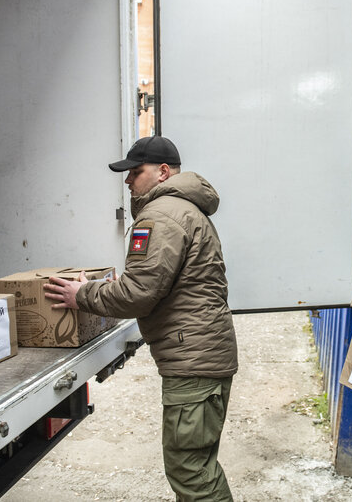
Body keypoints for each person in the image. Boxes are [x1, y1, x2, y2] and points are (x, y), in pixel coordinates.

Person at [44, 135, 238, 502]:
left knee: (190, 471)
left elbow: (138, 295)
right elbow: (159, 284)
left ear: (163, 172)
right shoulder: (186, 209)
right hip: (203, 354)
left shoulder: (162, 215)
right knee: (198, 464)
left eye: (136, 172)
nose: (129, 181)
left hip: (192, 361)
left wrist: (80, 295)